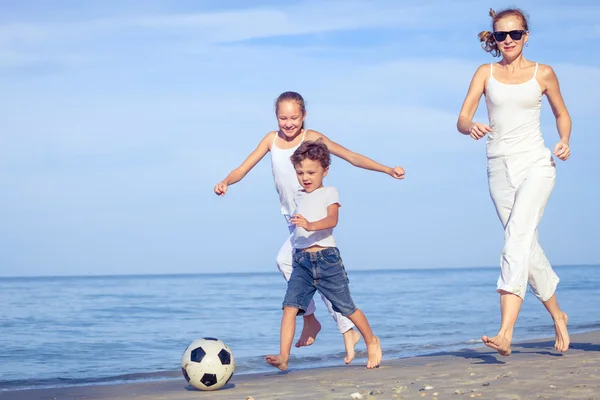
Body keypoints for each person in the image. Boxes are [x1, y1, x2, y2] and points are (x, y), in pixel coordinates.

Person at [214, 91, 404, 363]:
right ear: (275, 117)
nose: (288, 123)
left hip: (312, 218)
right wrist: (226, 182)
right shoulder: (271, 140)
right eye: (282, 117)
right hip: (292, 219)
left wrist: (387, 169)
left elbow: (350, 156)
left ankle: (332, 324)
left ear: (304, 116)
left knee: (287, 262)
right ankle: (328, 324)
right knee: (289, 265)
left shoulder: (312, 137)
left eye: (294, 117)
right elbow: (243, 168)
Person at [457, 8, 571, 356]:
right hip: (498, 167)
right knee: (525, 246)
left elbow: (561, 114)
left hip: (536, 164)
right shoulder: (485, 73)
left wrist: (564, 140)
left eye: (515, 34)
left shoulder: (543, 73)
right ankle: (558, 315)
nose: (508, 40)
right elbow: (462, 117)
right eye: (501, 35)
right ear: (493, 38)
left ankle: (506, 332)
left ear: (526, 36)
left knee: (517, 239)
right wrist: (470, 126)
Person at [265, 140, 382, 371]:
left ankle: (371, 340)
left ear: (324, 171)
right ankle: (284, 357)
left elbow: (332, 221)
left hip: (327, 260)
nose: (305, 177)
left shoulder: (330, 192)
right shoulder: (298, 196)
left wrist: (309, 225)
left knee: (346, 308)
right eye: (300, 173)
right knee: (290, 307)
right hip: (302, 263)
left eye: (311, 172)